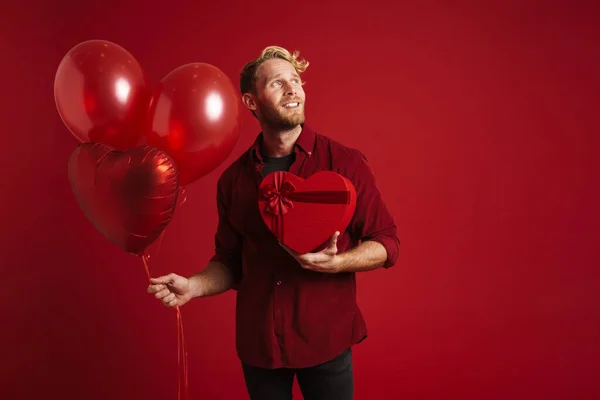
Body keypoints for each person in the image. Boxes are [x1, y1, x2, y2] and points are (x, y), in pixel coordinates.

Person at [147, 45, 400, 400]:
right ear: (252, 102)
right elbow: (230, 263)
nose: (292, 89)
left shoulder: (345, 163)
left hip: (325, 340)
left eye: (295, 81)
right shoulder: (234, 181)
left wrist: (337, 263)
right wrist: (193, 286)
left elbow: (387, 243)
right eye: (277, 83)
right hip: (260, 346)